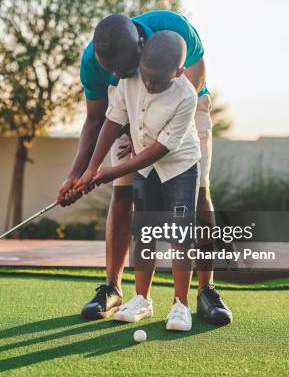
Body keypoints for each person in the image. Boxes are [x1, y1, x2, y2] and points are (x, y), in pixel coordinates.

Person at [57, 10, 232, 326]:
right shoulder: (99, 64)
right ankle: (115, 288)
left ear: (141, 44)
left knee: (198, 197)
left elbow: (196, 78)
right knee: (124, 193)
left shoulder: (174, 30)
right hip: (130, 111)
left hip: (185, 109)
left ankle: (205, 290)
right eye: (115, 72)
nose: (121, 75)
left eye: (126, 69)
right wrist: (78, 173)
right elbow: (98, 119)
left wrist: (152, 138)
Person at [75, 31, 201, 330]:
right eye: (146, 78)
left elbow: (160, 150)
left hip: (178, 165)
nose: (150, 86)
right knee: (145, 231)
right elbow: (113, 120)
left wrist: (110, 173)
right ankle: (141, 299)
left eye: (159, 82)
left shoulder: (186, 96)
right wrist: (93, 168)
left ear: (179, 72)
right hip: (145, 164)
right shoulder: (130, 78)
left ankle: (180, 305)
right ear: (140, 62)